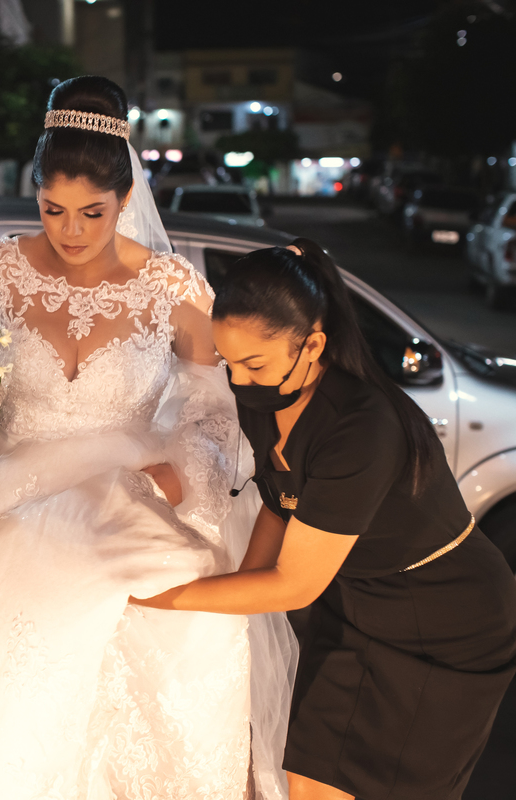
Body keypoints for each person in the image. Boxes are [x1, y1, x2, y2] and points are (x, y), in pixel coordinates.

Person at [0, 76, 298, 800]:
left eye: (92, 212)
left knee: (175, 638)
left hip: (124, 498)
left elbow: (215, 412)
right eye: (53, 208)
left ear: (125, 199)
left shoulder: (175, 287)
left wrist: (183, 475)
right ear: (34, 194)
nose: (71, 230)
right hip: (4, 498)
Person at [131, 240, 516, 799]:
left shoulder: (362, 428)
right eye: (228, 362)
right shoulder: (267, 398)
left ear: (312, 344)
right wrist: (232, 586)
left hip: (444, 622)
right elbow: (277, 500)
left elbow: (294, 584)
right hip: (353, 607)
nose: (238, 381)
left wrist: (160, 595)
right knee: (307, 781)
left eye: (254, 364)